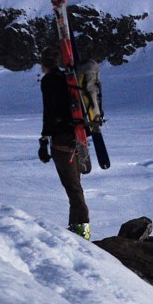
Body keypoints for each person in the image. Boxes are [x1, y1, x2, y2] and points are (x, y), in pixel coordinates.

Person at [37, 45, 90, 240]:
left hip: (62, 141)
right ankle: (77, 231)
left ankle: (82, 235)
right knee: (75, 187)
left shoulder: (49, 81)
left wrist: (44, 140)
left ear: (45, 64)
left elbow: (49, 111)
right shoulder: (69, 79)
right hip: (77, 138)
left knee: (73, 189)